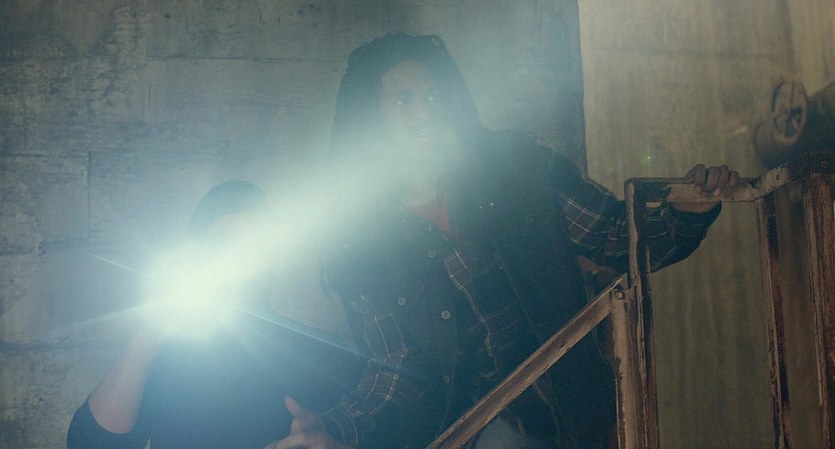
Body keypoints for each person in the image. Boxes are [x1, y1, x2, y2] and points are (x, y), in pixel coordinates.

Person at [270, 33, 739, 449]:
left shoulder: (519, 169)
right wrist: (333, 427)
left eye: (433, 96)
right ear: (370, 122)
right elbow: (393, 370)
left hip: (560, 415)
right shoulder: (363, 240)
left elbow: (615, 238)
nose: (425, 111)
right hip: (460, 429)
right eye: (403, 100)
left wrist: (686, 214)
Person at [67, 180, 361, 449]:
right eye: (224, 242)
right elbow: (91, 444)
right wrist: (150, 331)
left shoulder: (324, 353)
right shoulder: (165, 355)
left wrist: (331, 440)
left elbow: (372, 432)